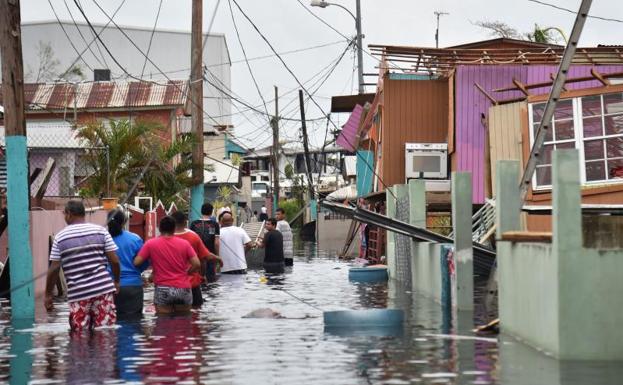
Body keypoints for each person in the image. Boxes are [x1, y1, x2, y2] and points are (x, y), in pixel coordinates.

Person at [45, 200, 121, 332]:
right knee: (105, 333)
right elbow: (114, 261)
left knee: (80, 336)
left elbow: (54, 269)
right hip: (102, 290)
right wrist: (116, 281)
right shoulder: (101, 231)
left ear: (69, 214)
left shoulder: (60, 237)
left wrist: (48, 295)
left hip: (78, 294)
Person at [133, 216, 200, 314]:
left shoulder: (150, 244)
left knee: (163, 324)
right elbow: (197, 264)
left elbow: (137, 262)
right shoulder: (185, 244)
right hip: (183, 288)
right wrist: (187, 272)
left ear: (159, 229)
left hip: (162, 288)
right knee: (184, 322)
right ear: (174, 229)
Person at [107, 209, 147, 319]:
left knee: (110, 322)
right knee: (134, 322)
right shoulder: (135, 239)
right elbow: (145, 261)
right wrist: (137, 271)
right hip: (133, 286)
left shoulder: (103, 239)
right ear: (124, 222)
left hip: (109, 287)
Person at [171, 211, 217, 307]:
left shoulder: (162, 239)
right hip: (191, 284)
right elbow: (203, 259)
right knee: (195, 314)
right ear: (185, 222)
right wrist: (203, 275)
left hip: (167, 286)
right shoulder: (193, 237)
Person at [189, 203, 220, 283]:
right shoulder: (215, 224)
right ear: (211, 212)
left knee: (197, 279)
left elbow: (190, 241)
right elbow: (216, 243)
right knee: (211, 281)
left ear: (201, 211)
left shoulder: (193, 224)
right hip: (210, 255)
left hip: (196, 256)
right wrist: (217, 256)